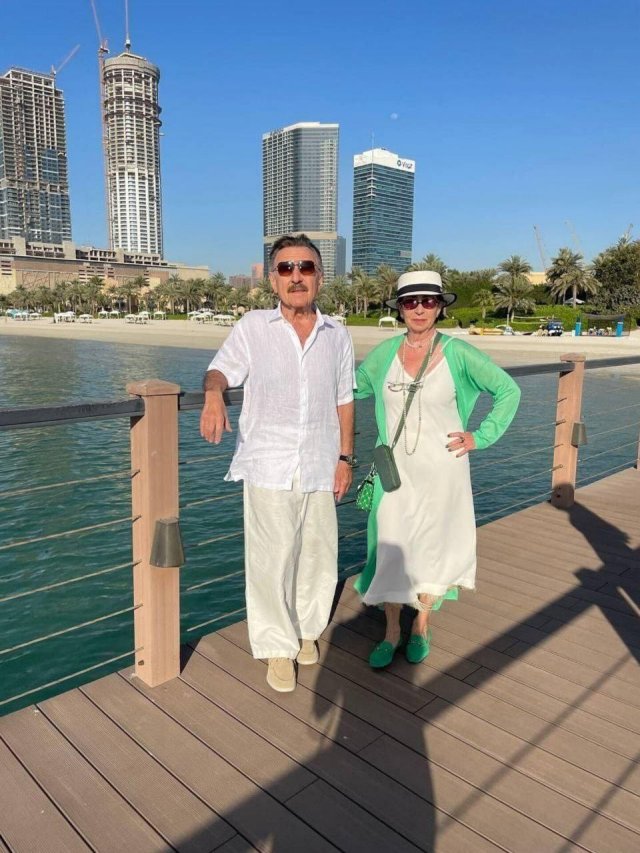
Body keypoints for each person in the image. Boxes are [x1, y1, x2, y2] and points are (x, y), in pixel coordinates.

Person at [199, 234, 356, 692]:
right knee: (270, 560)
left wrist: (345, 457)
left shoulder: (337, 334)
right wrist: (213, 395)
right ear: (273, 280)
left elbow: (344, 400)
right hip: (268, 462)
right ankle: (276, 647)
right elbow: (220, 369)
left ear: (320, 277)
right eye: (286, 268)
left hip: (321, 461)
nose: (296, 276)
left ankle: (307, 631)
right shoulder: (253, 326)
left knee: (318, 554)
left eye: (305, 267)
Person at [354, 270, 520, 668]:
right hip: (395, 475)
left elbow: (508, 390)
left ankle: (421, 625)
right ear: (399, 308)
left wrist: (481, 436)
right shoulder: (384, 354)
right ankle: (391, 631)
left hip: (444, 472)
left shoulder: (458, 353)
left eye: (428, 301)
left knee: (432, 548)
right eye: (410, 302)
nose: (419, 309)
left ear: (440, 307)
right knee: (390, 547)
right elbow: (350, 387)